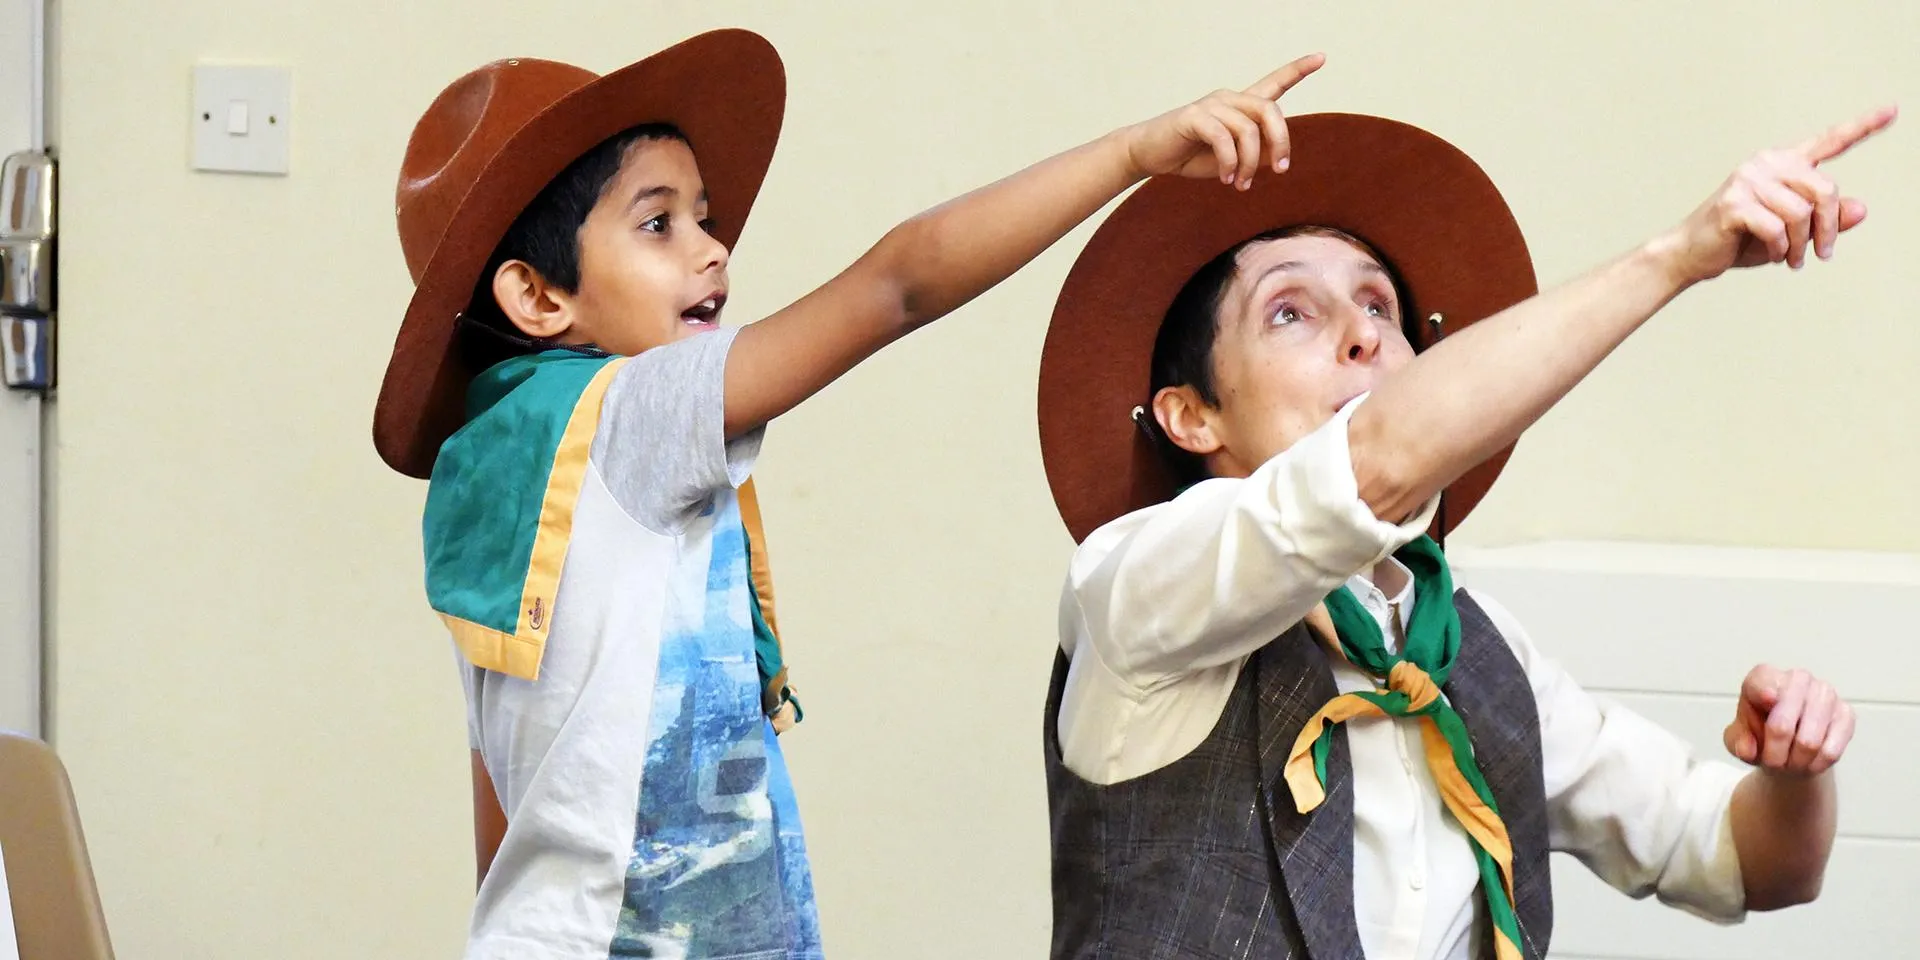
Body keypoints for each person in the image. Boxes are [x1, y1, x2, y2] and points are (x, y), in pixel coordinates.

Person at [373, 27, 1331, 959]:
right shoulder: (629, 415)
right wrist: (1130, 152)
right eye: (658, 223)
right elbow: (899, 286)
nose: (711, 250)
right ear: (540, 300)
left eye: (703, 215)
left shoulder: (494, 463)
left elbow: (498, 782)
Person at [1032, 104, 1895, 959]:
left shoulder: (1473, 650)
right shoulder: (1136, 584)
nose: (1363, 335)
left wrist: (1793, 774)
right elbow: (1380, 458)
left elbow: (1753, 862)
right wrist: (1679, 256)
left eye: (1380, 305)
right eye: (1289, 312)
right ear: (1190, 417)